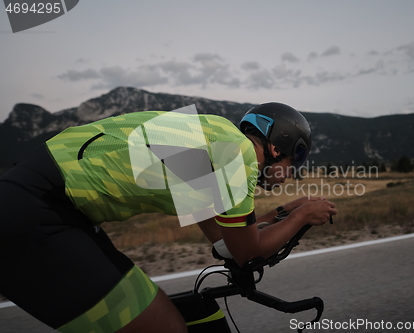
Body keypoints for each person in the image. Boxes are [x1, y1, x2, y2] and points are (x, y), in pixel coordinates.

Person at [0, 102, 337, 332]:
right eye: (297, 160)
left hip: (41, 202)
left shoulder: (216, 140)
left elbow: (224, 240)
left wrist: (283, 212)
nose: (293, 173)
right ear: (278, 147)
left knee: (160, 313)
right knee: (166, 327)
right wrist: (305, 213)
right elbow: (247, 253)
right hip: (40, 212)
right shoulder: (238, 157)